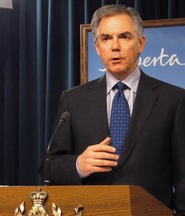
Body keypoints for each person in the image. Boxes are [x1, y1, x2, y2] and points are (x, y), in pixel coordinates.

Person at [39, 4, 185, 215]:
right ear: (97, 47)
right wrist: (79, 164)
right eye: (106, 38)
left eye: (124, 37)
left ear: (141, 43)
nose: (114, 46)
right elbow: (48, 167)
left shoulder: (174, 99)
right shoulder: (73, 100)